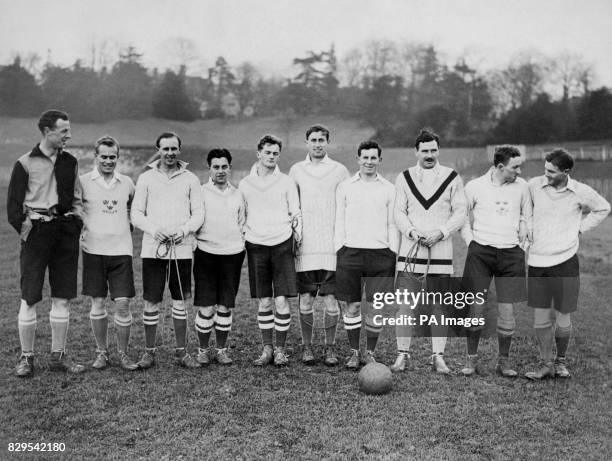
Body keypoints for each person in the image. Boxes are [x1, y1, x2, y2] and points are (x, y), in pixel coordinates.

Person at [7, 109, 86, 376]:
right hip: (36, 233)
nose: (69, 135)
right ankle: (26, 358)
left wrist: (76, 223)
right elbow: (13, 208)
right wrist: (28, 229)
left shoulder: (71, 161)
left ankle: (58, 356)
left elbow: (77, 198)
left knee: (62, 296)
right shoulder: (25, 163)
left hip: (65, 232)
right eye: (64, 131)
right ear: (47, 131)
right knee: (29, 297)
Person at [525, 148, 610, 379]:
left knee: (563, 315)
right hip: (537, 262)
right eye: (545, 170)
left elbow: (604, 208)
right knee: (540, 317)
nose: (547, 175)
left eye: (551, 172)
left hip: (565, 262)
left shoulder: (580, 191)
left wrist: (580, 227)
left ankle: (561, 362)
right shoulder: (533, 185)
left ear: (566, 171)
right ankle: (545, 363)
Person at [391, 128, 466, 374]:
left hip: (441, 252)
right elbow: (398, 213)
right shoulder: (404, 177)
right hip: (410, 253)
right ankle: (402, 355)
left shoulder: (452, 177)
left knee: (440, 306)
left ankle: (438, 356)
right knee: (405, 306)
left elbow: (460, 212)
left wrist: (441, 232)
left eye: (434, 150)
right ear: (416, 152)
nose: (430, 155)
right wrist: (412, 232)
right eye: (425, 151)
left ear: (438, 150)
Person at [131, 132, 204, 369]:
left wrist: (183, 231)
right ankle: (149, 352)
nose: (170, 153)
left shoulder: (191, 179)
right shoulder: (146, 178)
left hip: (181, 250)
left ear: (179, 150)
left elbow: (199, 214)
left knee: (180, 301)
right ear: (158, 149)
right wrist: (155, 230)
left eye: (174, 149)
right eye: (165, 149)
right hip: (154, 250)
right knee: (151, 301)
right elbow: (136, 214)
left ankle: (181, 352)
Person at [459, 145, 531, 377]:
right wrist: (471, 242)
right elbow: (461, 217)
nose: (519, 171)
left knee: (507, 311)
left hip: (511, 255)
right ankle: (471, 361)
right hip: (481, 253)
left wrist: (522, 244)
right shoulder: (475, 186)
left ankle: (504, 362)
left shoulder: (522, 187)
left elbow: (528, 218)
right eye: (515, 167)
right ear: (500, 167)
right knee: (476, 308)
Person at [335, 140, 399, 369]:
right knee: (351, 306)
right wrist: (340, 248)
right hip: (350, 252)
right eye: (365, 157)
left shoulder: (389, 188)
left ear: (379, 160)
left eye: (374, 158)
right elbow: (339, 221)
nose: (369, 162)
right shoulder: (345, 186)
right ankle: (354, 352)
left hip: (381, 254)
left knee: (376, 307)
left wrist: (392, 252)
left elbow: (393, 223)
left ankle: (370, 352)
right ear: (358, 159)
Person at [288, 125, 349, 366]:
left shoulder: (339, 170)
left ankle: (330, 348)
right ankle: (307, 347)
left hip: (332, 247)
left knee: (332, 301)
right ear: (306, 143)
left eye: (322, 140)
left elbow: (347, 205)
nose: (317, 144)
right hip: (305, 248)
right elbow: (292, 206)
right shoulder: (296, 170)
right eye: (313, 140)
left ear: (328, 142)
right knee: (305, 300)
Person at [239, 134, 302, 367]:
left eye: (276, 153)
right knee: (265, 301)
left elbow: (296, 213)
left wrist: (298, 237)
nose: (272, 157)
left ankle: (280, 350)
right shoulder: (245, 184)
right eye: (268, 152)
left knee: (282, 299)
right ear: (259, 153)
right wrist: (246, 235)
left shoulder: (286, 181)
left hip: (282, 245)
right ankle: (266, 349)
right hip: (256, 246)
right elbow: (241, 216)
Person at [80, 136, 139, 371]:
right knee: (97, 303)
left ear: (117, 157)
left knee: (123, 304)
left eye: (112, 157)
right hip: (94, 250)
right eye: (103, 156)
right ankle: (102, 353)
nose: (108, 160)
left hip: (121, 251)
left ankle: (123, 354)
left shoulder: (127, 183)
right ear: (95, 157)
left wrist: (131, 220)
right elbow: (74, 207)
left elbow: (136, 206)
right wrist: (81, 227)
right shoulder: (83, 182)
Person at [193, 148, 246, 366]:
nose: (221, 171)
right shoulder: (200, 192)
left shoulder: (238, 194)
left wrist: (239, 244)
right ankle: (203, 350)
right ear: (209, 168)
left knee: (225, 305)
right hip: (206, 254)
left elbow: (242, 223)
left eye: (224, 166)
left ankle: (222, 350)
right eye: (216, 167)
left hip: (232, 255)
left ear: (230, 168)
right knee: (206, 306)